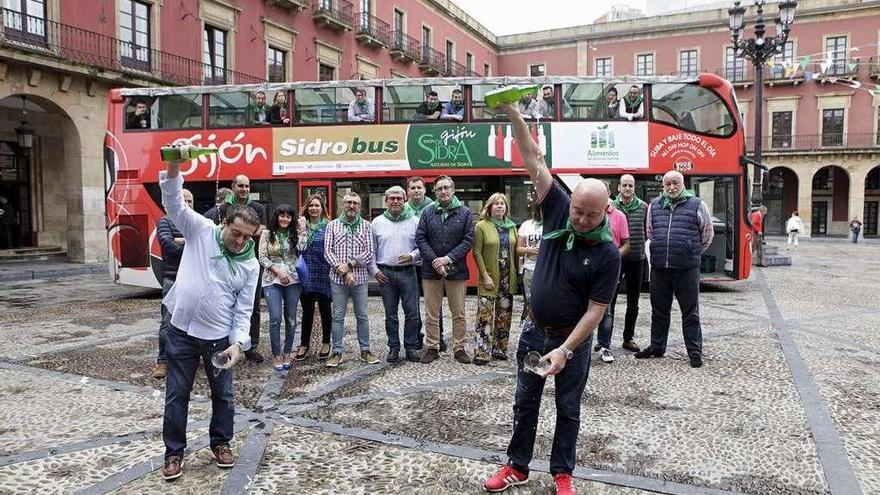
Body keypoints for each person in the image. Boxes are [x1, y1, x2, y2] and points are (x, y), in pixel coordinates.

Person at [483, 102, 620, 495]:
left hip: (571, 341)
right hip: (533, 331)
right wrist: (513, 114)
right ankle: (517, 466)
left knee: (568, 408)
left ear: (605, 212)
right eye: (577, 211)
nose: (579, 220)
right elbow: (532, 157)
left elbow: (597, 310)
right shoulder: (559, 206)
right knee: (525, 403)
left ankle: (562, 472)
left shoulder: (608, 253)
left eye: (590, 216)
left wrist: (565, 349)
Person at [158, 150, 260, 482]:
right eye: (236, 233)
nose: (240, 241)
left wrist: (239, 345)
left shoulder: (250, 263)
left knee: (224, 395)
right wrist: (174, 166)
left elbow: (245, 309)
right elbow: (173, 204)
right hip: (182, 330)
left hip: (218, 337)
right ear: (224, 222)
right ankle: (174, 452)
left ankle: (222, 443)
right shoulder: (201, 229)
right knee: (177, 393)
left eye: (247, 237)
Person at [635, 170, 714, 368]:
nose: (671, 187)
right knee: (659, 311)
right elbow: (651, 233)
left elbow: (707, 235)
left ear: (683, 184)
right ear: (663, 186)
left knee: (690, 312)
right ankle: (657, 346)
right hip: (661, 268)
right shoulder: (654, 205)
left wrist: (690, 251)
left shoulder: (697, 204)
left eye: (675, 183)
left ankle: (694, 352)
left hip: (687, 269)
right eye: (667, 183)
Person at [416, 175, 475, 365]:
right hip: (430, 271)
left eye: (446, 188)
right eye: (439, 188)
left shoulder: (465, 213)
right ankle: (432, 347)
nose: (443, 191)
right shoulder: (427, 212)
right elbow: (421, 238)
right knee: (431, 312)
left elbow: (468, 240)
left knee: (459, 313)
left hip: (456, 271)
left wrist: (448, 259)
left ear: (453, 190)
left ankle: (459, 348)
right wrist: (436, 261)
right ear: (434, 192)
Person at [323, 192, 380, 367]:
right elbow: (327, 252)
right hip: (338, 279)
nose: (351, 206)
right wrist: (344, 271)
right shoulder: (332, 226)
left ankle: (365, 350)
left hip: (360, 279)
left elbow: (370, 253)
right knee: (338, 316)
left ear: (360, 206)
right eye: (348, 202)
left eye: (355, 203)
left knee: (362, 316)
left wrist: (350, 265)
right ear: (343, 204)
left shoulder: (366, 226)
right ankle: (337, 352)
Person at [371, 186, 422, 363]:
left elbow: (422, 247)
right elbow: (372, 250)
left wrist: (412, 256)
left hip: (408, 272)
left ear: (404, 199)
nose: (395, 201)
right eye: (391, 198)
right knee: (390, 314)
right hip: (386, 274)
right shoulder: (377, 222)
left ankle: (410, 346)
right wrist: (375, 271)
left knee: (412, 312)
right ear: (386, 201)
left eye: (399, 198)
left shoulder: (414, 221)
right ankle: (393, 346)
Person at [259, 204, 308, 371]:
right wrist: (278, 271)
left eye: (288, 216)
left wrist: (302, 231)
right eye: (282, 216)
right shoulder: (267, 233)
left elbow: (302, 249)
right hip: (272, 279)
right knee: (275, 318)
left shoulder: (295, 233)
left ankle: (287, 352)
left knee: (291, 318)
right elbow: (262, 257)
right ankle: (275, 354)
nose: (285, 219)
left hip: (293, 279)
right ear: (277, 217)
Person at [152, 188, 194, 380]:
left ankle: (188, 357)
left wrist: (181, 241)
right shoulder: (165, 221)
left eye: (190, 201)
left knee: (192, 320)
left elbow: (203, 246)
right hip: (172, 277)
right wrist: (188, 242)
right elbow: (167, 245)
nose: (187, 204)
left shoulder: (195, 223)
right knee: (168, 322)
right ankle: (163, 361)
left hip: (192, 279)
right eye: (183, 200)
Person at [473, 192, 518, 365]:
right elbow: (476, 252)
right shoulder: (481, 226)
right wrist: (485, 276)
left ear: (506, 208)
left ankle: (500, 349)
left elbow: (515, 253)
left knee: (504, 315)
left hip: (507, 278)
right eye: (496, 203)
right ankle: (481, 352)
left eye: (502, 203)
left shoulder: (512, 227)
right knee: (485, 316)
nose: (499, 206)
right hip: (490, 278)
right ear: (489, 207)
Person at [227, 175, 267, 363]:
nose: (244, 189)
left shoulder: (258, 208)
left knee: (253, 305)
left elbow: (261, 232)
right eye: (240, 185)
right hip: (228, 261)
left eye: (247, 186)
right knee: (227, 303)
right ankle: (226, 342)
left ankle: (252, 346)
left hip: (252, 261)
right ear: (233, 187)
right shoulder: (226, 207)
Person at [406, 176, 445, 351]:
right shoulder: (404, 209)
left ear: (425, 190)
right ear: (408, 191)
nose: (416, 190)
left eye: (419, 187)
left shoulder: (433, 207)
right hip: (411, 264)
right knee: (413, 304)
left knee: (434, 303)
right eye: (413, 188)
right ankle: (417, 337)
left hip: (430, 261)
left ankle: (439, 336)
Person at [611, 174, 647, 353]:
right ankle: (605, 340)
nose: (627, 188)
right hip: (615, 260)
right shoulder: (610, 207)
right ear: (618, 187)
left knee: (633, 302)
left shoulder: (643, 207)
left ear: (634, 188)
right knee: (609, 300)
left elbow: (648, 231)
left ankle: (628, 338)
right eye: (624, 185)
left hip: (636, 259)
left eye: (630, 186)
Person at [593, 189, 630, 364]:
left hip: (609, 269)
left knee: (606, 309)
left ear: (608, 194)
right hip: (588, 267)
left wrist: (613, 257)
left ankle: (604, 345)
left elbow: (626, 245)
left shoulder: (619, 216)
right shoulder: (589, 212)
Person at [298, 194, 333, 360]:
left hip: (324, 273)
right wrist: (303, 230)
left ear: (322, 208)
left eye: (317, 206)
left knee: (326, 310)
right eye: (311, 205)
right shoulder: (300, 225)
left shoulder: (329, 226)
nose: (314, 208)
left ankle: (326, 342)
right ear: (307, 207)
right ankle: (304, 344)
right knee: (307, 312)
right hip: (306, 273)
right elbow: (298, 248)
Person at [516, 199, 543, 323]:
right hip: (530, 270)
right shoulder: (526, 225)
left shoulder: (552, 225)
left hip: (546, 270)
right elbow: (518, 249)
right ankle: (529, 326)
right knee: (530, 301)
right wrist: (529, 250)